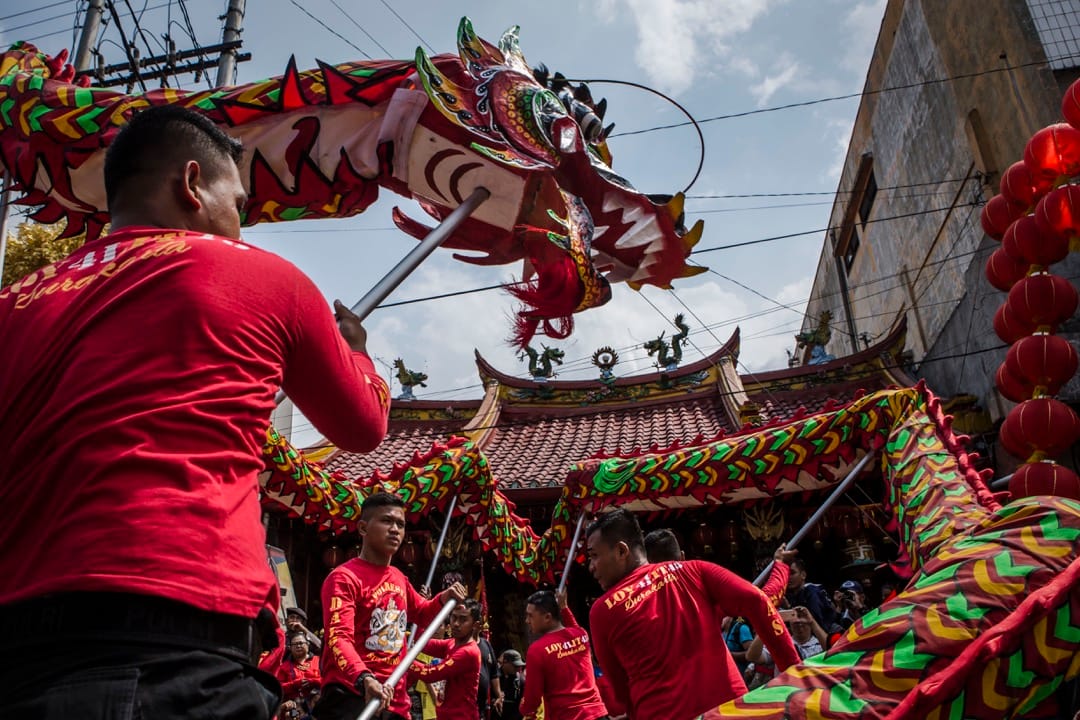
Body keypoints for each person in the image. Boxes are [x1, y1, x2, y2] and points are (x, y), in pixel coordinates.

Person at [1, 105, 392, 719]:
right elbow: (364, 424)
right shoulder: (262, 277)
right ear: (191, 184)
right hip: (177, 644)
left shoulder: (15, 301)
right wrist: (358, 353)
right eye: (236, 204)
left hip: (17, 648)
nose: (240, 227)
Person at [586, 509, 800, 720]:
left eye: (594, 556)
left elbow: (620, 688)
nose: (591, 567)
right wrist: (796, 674)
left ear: (622, 551)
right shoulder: (695, 571)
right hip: (729, 711)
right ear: (680, 556)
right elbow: (759, 600)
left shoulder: (603, 611)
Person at [314, 493, 467, 720]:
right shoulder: (343, 578)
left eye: (400, 524)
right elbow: (338, 638)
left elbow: (422, 613)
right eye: (386, 521)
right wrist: (364, 678)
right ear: (363, 528)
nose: (395, 530)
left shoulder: (398, 577)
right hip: (353, 695)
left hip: (395, 700)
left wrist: (443, 599)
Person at [519, 589, 609, 720]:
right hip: (598, 714)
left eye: (530, 616)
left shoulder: (537, 650)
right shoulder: (581, 635)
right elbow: (574, 626)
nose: (527, 621)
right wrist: (564, 607)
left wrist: (524, 708)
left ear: (547, 617)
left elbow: (532, 700)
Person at [408, 599, 485, 719]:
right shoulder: (452, 643)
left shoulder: (468, 652)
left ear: (475, 625)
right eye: (454, 617)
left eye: (463, 619)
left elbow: (429, 674)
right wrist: (424, 609)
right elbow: (422, 642)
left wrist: (403, 660)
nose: (456, 623)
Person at [278, 631, 323, 719]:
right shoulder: (284, 667)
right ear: (290, 648)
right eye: (295, 644)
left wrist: (314, 681)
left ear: (308, 645)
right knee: (290, 715)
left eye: (301, 643)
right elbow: (279, 688)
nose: (298, 646)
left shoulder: (319, 661)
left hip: (318, 702)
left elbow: (329, 680)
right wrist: (295, 684)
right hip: (296, 704)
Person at [784, 559, 837, 631]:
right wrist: (787, 607)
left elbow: (817, 623)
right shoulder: (793, 595)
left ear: (803, 575)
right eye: (786, 573)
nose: (788, 577)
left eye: (792, 573)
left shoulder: (811, 591)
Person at [476, 628, 503, 718]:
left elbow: (494, 673)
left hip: (482, 706)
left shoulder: (486, 644)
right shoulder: (459, 645)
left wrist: (499, 696)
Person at [493, 650, 525, 720]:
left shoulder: (521, 680)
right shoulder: (494, 678)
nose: (518, 669)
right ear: (505, 662)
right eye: (515, 666)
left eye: (519, 666)